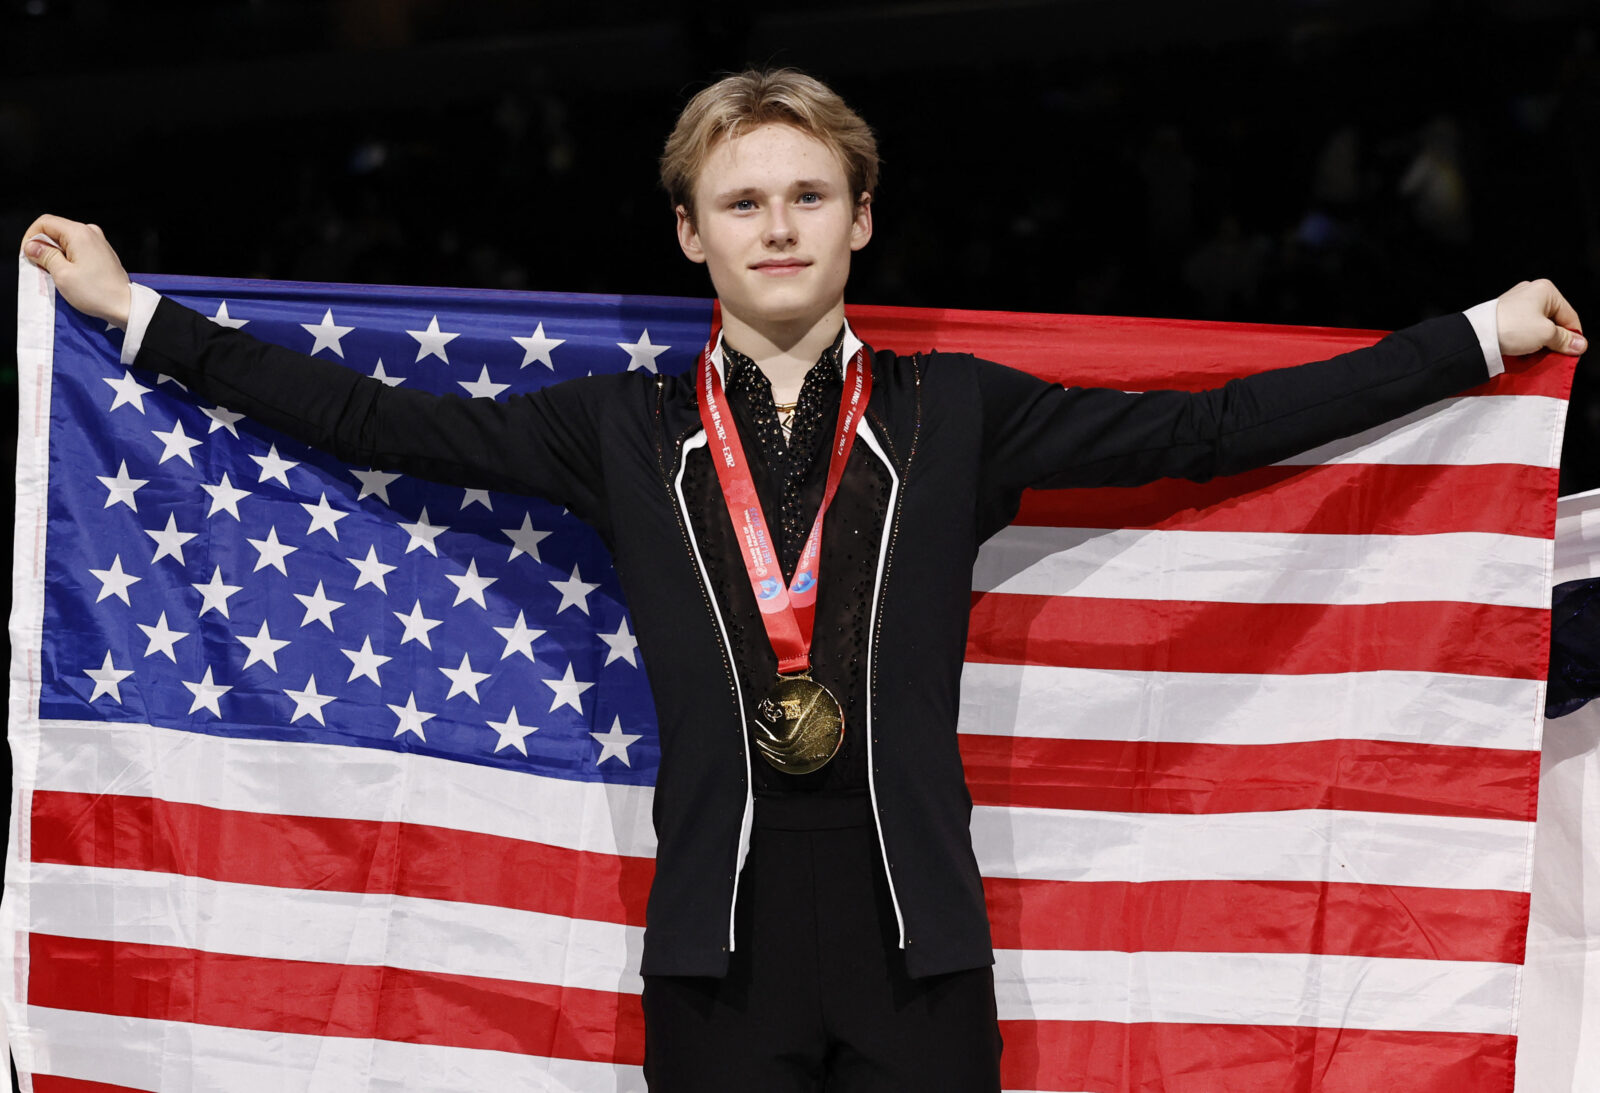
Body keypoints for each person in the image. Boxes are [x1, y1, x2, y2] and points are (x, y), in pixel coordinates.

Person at [21, 67, 1585, 1092]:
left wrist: (1475, 338)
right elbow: (370, 419)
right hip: (714, 951)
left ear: (860, 221)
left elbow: (1216, 426)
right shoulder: (618, 427)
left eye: (808, 195)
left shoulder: (960, 411)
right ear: (691, 233)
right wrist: (132, 314)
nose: (779, 223)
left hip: (921, 949)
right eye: (744, 200)